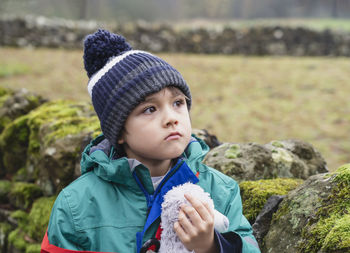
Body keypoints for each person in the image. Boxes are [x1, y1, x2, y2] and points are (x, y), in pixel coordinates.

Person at [41, 29, 260, 253]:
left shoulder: (220, 190)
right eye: (150, 109)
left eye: (178, 103)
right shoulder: (76, 204)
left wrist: (213, 246)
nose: (171, 119)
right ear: (119, 132)